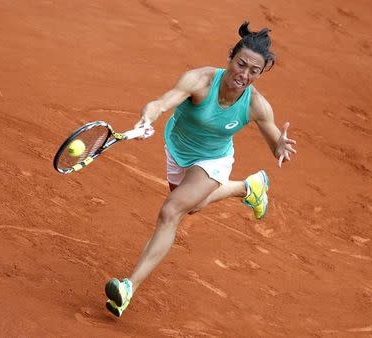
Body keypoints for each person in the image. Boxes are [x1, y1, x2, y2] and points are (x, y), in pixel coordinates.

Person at [104, 21, 297, 317]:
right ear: (230, 59)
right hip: (178, 151)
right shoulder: (200, 81)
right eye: (240, 64)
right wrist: (148, 116)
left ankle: (128, 287)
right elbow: (162, 102)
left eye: (253, 71)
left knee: (172, 211)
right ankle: (247, 187)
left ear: (259, 74)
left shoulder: (257, 105)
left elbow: (275, 146)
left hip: (213, 161)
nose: (243, 75)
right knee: (192, 205)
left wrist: (281, 147)